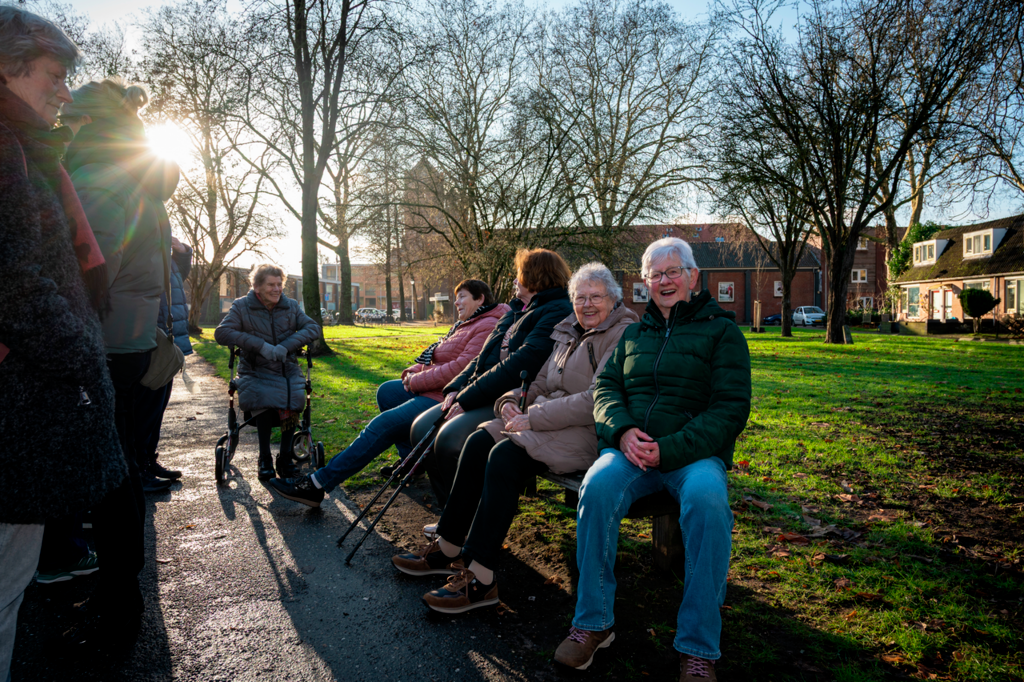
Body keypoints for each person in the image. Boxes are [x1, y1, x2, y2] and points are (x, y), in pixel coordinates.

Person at [553, 238, 751, 681]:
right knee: (598, 487)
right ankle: (593, 623)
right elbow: (606, 391)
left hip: (694, 456)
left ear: (693, 277)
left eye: (673, 272)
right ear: (644, 283)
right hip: (630, 452)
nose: (664, 281)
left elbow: (731, 407)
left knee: (708, 502)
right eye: (655, 274)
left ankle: (698, 648)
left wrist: (672, 448)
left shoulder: (722, 332)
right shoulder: (634, 334)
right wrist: (622, 432)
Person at [392, 263, 639, 615]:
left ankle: (480, 577)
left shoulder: (623, 333)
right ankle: (448, 543)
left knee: (505, 457)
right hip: (542, 421)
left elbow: (595, 400)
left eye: (596, 297)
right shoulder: (568, 329)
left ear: (613, 299)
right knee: (479, 443)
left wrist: (531, 416)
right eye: (580, 297)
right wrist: (509, 402)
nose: (587, 305)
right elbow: (537, 381)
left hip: (588, 432)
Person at [0, 7, 126, 676]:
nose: (64, 90)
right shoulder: (7, 150)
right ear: (7, 67)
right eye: (54, 74)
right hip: (17, 403)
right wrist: (79, 354)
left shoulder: (24, 148)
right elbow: (13, 282)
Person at [268, 280, 509, 507]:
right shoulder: (466, 323)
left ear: (480, 299)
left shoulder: (488, 325)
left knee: (383, 425)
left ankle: (318, 483)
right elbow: (436, 353)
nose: (456, 303)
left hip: (445, 397)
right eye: (456, 298)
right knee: (388, 391)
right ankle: (412, 463)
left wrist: (416, 382)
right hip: (434, 388)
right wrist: (410, 372)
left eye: (462, 297)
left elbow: (458, 370)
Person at [411, 248, 574, 508]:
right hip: (483, 389)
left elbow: (520, 364)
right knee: (420, 429)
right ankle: (450, 513)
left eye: (518, 275)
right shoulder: (514, 311)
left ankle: (469, 517)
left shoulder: (556, 311)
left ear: (534, 277)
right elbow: (482, 356)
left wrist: (467, 396)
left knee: (450, 440)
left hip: (513, 397)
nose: (514, 280)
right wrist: (455, 388)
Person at [214, 263, 321, 480]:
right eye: (271, 285)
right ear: (257, 287)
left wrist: (286, 346)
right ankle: (264, 457)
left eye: (279, 284)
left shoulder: (291, 306)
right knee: (261, 395)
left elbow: (313, 328)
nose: (277, 289)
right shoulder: (242, 306)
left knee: (293, 395)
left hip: (286, 368)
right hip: (254, 369)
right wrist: (260, 345)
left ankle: (285, 456)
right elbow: (222, 333)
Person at [135, 235, 194, 490]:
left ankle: (148, 460)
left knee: (156, 410)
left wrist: (182, 251)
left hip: (166, 344)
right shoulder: (138, 255)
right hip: (149, 342)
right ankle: (137, 469)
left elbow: (179, 274)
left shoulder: (164, 260)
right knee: (143, 411)